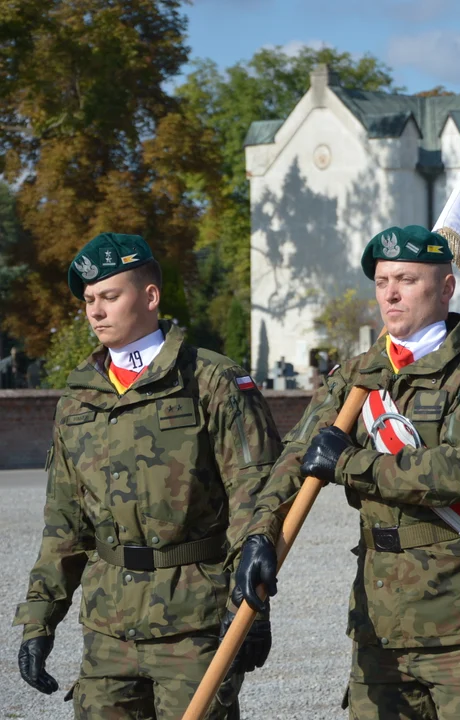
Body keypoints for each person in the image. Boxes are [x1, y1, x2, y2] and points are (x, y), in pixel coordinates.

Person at [255, 225, 460, 719]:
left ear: (446, 288)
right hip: (379, 622)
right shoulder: (358, 373)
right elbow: (297, 455)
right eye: (382, 281)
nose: (390, 293)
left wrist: (349, 463)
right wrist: (259, 535)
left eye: (405, 279)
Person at [13, 233, 284, 718]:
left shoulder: (210, 381)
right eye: (89, 300)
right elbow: (63, 527)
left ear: (151, 297)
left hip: (193, 628)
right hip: (107, 634)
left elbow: (256, 497)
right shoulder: (79, 400)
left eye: (110, 296)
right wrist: (39, 620)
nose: (96, 311)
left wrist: (252, 605)